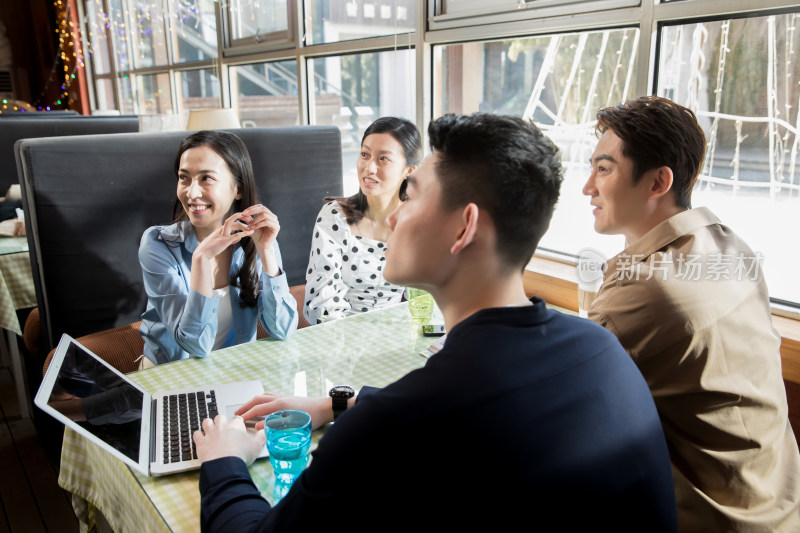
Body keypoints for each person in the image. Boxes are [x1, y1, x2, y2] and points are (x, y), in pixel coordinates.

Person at [193, 113, 678, 532]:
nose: (397, 215)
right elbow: (470, 413)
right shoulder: (600, 349)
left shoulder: (387, 431)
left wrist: (225, 460)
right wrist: (333, 403)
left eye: (413, 194)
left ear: (464, 227)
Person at [583, 95, 800, 531]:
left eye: (603, 169)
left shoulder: (645, 288)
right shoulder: (727, 245)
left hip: (710, 521)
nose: (588, 186)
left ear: (658, 182)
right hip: (778, 502)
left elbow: (571, 400)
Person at [138, 130, 298, 366]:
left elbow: (283, 328)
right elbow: (195, 345)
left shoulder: (256, 240)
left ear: (238, 189)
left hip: (233, 371)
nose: (192, 193)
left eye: (206, 178)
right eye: (184, 178)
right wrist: (201, 258)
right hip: (170, 375)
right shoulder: (157, 244)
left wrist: (267, 250)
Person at [303, 117, 421, 324]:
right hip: (339, 338)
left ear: (409, 170)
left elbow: (424, 299)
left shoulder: (418, 224)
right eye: (365, 155)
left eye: (383, 159)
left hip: (396, 338)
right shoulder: (335, 217)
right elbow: (321, 309)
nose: (369, 168)